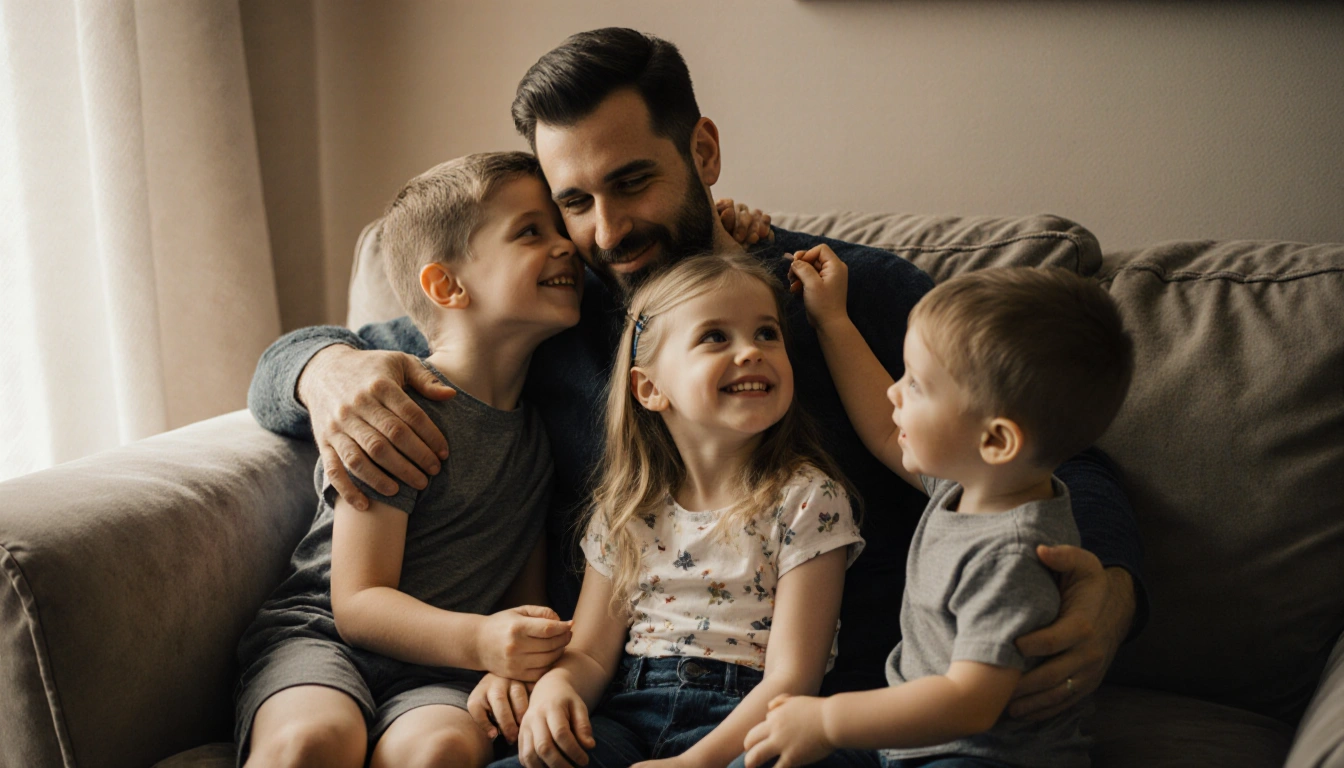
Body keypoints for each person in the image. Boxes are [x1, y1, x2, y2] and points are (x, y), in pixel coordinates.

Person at [247, 27, 1147, 724]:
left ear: (704, 154)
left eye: (632, 182)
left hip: (840, 700)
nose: (606, 231)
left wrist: (1107, 584)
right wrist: (324, 370)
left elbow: (1064, 456)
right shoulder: (559, 309)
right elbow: (307, 360)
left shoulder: (845, 291)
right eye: (573, 202)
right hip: (608, 689)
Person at [234, 152, 583, 768]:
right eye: (532, 231)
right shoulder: (396, 408)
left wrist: (515, 661)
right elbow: (358, 603)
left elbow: (522, 598)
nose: (568, 246)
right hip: (327, 639)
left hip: (444, 672)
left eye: (562, 227)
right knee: (316, 740)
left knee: (443, 750)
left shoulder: (539, 435)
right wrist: (481, 641)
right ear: (447, 285)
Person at [736, 256, 1135, 768]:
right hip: (913, 744)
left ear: (995, 439)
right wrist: (832, 320)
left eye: (916, 385)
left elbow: (972, 703)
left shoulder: (1011, 555)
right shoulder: (975, 485)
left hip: (982, 756)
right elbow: (884, 428)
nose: (894, 391)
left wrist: (829, 719)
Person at [496, 252, 865, 768]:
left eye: (767, 334)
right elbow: (589, 653)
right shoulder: (626, 511)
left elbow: (792, 678)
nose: (751, 352)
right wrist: (557, 688)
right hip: (629, 715)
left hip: (756, 719)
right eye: (716, 337)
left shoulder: (807, 498)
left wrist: (696, 764)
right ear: (650, 388)